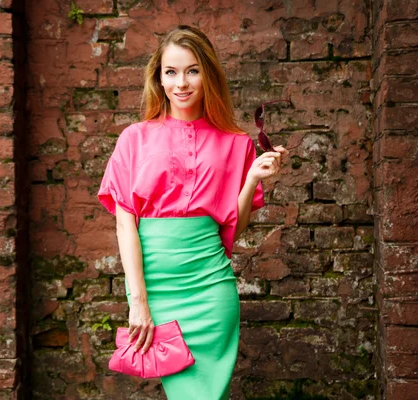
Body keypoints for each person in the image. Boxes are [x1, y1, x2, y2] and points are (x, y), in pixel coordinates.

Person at [97, 25, 289, 399]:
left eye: (192, 71)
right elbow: (125, 225)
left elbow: (233, 228)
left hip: (211, 290)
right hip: (158, 292)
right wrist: (138, 301)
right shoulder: (134, 138)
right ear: (159, 78)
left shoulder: (236, 143)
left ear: (208, 75)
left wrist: (250, 179)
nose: (181, 83)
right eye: (171, 72)